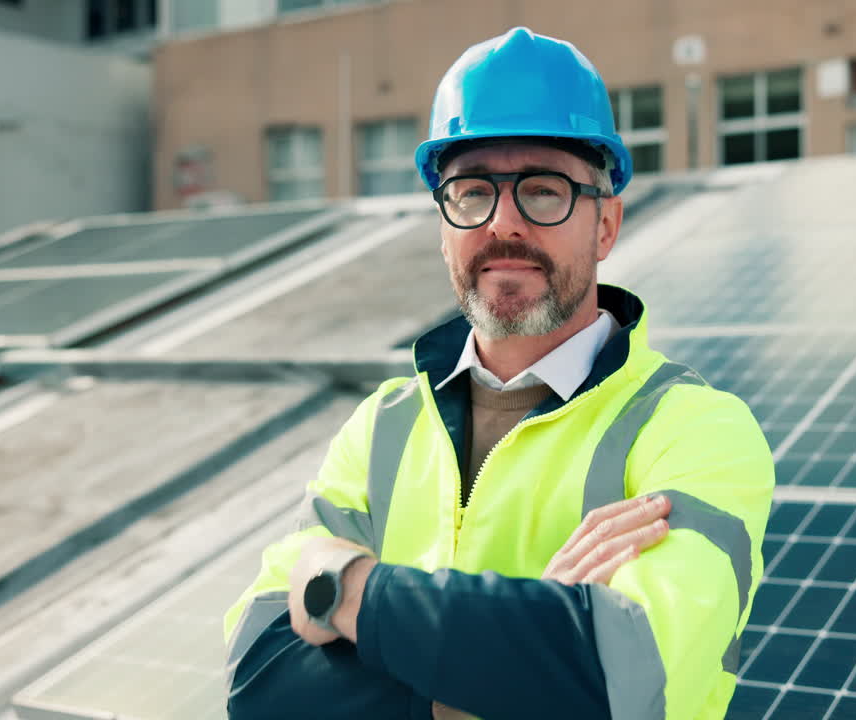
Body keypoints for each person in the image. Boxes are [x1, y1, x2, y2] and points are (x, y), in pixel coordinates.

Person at [223, 26, 774, 720]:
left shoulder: (697, 432)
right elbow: (261, 684)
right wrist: (517, 659)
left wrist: (348, 589)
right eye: (473, 191)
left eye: (544, 192)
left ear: (606, 224)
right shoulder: (381, 429)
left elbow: (625, 679)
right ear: (443, 225)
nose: (502, 223)